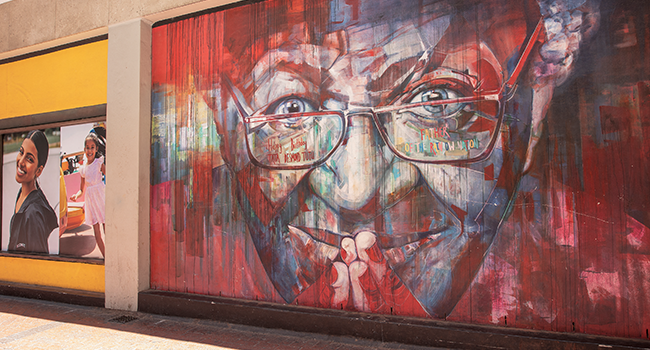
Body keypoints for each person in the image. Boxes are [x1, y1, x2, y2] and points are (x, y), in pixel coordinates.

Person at [152, 0, 649, 330]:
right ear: (223, 119)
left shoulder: (620, 270)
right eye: (293, 110)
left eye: (437, 101)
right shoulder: (168, 227)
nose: (357, 189)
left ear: (533, 105)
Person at [9, 130, 58, 254]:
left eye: (29, 159)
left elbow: (38, 265)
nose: (21, 162)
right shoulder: (22, 194)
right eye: (21, 152)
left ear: (38, 171)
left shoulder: (34, 214)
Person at [70, 133, 106, 258]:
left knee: (107, 229)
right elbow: (81, 189)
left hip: (101, 197)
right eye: (87, 147)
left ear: (96, 149)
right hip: (91, 200)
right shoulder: (83, 169)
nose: (89, 150)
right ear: (84, 149)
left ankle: (113, 256)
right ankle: (106, 257)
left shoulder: (99, 163)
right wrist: (76, 195)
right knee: (97, 233)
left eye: (92, 147)